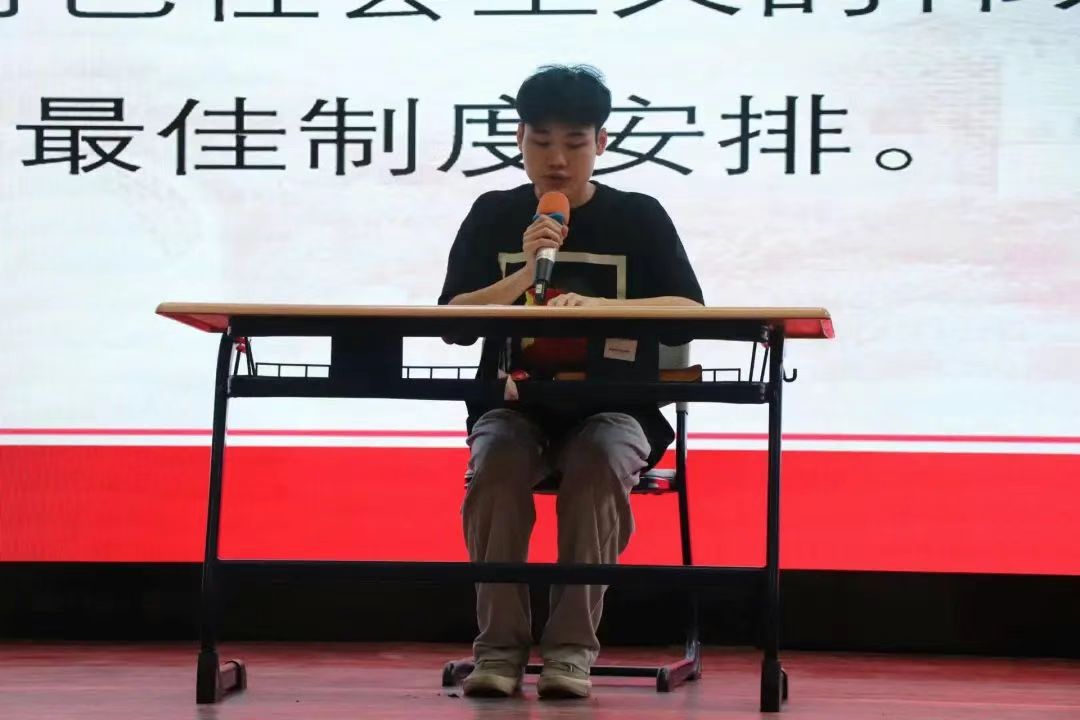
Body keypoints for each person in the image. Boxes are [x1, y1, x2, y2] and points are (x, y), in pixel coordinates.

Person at [438, 64, 704, 699]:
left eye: (575, 142)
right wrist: (525, 273)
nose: (557, 159)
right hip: (515, 408)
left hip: (617, 410)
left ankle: (569, 653)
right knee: (496, 462)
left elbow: (689, 310)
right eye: (541, 141)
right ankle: (498, 652)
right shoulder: (494, 212)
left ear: (602, 143)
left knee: (599, 458)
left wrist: (606, 309)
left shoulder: (639, 216)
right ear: (520, 140)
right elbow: (453, 322)